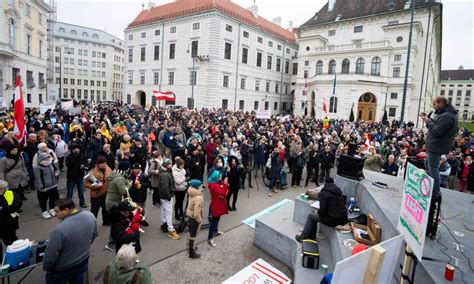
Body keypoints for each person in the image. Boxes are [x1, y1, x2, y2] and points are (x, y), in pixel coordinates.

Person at [43, 198, 97, 284]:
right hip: (83, 261)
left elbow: (51, 254)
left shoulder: (59, 230)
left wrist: (46, 268)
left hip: (63, 269)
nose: (55, 215)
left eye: (57, 211)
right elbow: (94, 234)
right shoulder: (90, 215)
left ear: (66, 210)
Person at [420, 96, 458, 198]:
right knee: (428, 163)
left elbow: (437, 131)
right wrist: (429, 119)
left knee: (433, 169)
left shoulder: (447, 116)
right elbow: (438, 125)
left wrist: (428, 122)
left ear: (441, 103)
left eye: (435, 104)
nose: (434, 107)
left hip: (437, 146)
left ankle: (435, 193)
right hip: (436, 145)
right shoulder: (446, 114)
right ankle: (430, 188)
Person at [84, 156, 112, 226]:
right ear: (98, 164)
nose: (104, 164)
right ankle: (91, 225)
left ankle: (105, 221)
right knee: (94, 212)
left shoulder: (108, 169)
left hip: (105, 194)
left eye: (105, 163)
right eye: (102, 163)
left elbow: (112, 176)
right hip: (96, 196)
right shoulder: (93, 172)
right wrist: (95, 186)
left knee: (106, 210)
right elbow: (85, 183)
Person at [34, 152, 60, 219]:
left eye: (48, 157)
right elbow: (37, 178)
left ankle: (51, 209)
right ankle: (44, 211)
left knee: (52, 198)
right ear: (41, 159)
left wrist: (57, 173)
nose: (47, 159)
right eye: (45, 158)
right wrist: (41, 187)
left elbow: (57, 170)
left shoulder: (51, 164)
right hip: (44, 188)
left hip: (53, 185)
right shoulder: (37, 167)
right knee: (43, 200)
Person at [159, 158, 180, 240]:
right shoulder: (165, 174)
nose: (172, 165)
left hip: (164, 196)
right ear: (168, 165)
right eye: (171, 164)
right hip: (166, 197)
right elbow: (164, 188)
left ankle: (163, 224)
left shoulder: (165, 172)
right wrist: (168, 196)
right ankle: (171, 230)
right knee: (169, 212)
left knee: (164, 210)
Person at [0, 180, 22, 257]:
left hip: (9, 223)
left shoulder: (10, 194)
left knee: (12, 243)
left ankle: (16, 256)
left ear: (4, 188)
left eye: (1, 189)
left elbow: (18, 204)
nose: (0, 191)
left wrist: (4, 209)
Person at [207, 171, 228, 247]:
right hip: (216, 205)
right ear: (216, 177)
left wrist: (223, 186)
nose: (220, 177)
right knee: (213, 222)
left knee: (217, 219)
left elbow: (223, 191)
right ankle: (210, 238)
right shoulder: (213, 185)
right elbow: (223, 193)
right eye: (219, 176)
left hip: (219, 204)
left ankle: (215, 231)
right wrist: (225, 185)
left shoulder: (216, 183)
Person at [66, 143, 88, 208]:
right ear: (71, 150)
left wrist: (84, 166)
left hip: (80, 176)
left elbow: (86, 163)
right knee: (70, 192)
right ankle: (68, 204)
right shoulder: (69, 157)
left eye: (77, 148)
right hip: (71, 177)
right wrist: (75, 157)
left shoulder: (83, 155)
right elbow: (68, 165)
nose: (76, 150)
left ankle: (82, 202)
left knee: (81, 191)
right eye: (74, 149)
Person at [186, 179, 204, 259]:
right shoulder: (198, 197)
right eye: (200, 185)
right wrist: (200, 220)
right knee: (193, 235)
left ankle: (189, 247)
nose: (201, 186)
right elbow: (197, 213)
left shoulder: (191, 191)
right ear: (197, 187)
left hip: (190, 215)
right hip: (194, 217)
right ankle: (191, 252)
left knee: (190, 233)